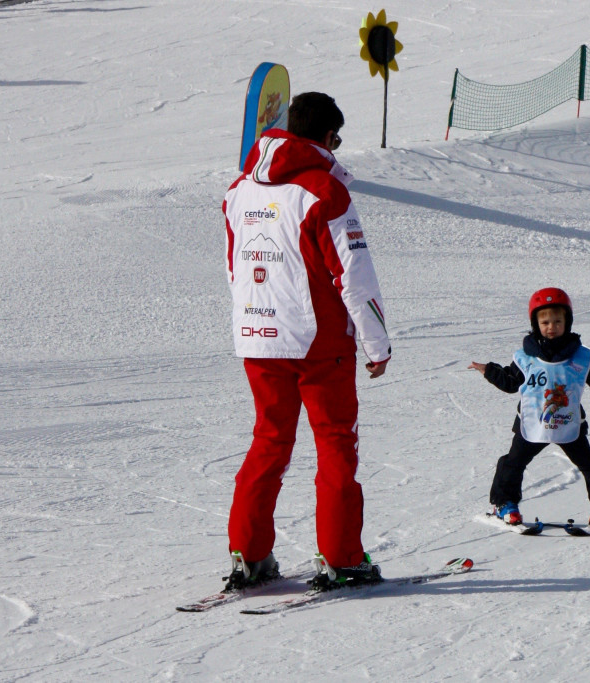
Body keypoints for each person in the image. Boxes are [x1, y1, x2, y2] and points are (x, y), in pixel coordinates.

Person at [221, 92, 391, 591]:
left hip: (258, 338)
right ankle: (341, 558)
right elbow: (355, 277)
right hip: (318, 344)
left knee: (269, 442)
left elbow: (235, 269)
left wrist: (254, 321)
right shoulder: (324, 192)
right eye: (337, 139)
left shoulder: (238, 191)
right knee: (336, 444)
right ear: (325, 136)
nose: (338, 148)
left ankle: (248, 555)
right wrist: (376, 344)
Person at [469, 288, 590, 527]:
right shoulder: (526, 357)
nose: (551, 326)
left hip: (569, 422)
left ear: (567, 321)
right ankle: (506, 505)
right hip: (532, 423)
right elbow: (511, 382)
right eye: (545, 322)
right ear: (535, 324)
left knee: (589, 462)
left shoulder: (581, 357)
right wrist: (489, 371)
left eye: (558, 321)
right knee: (512, 462)